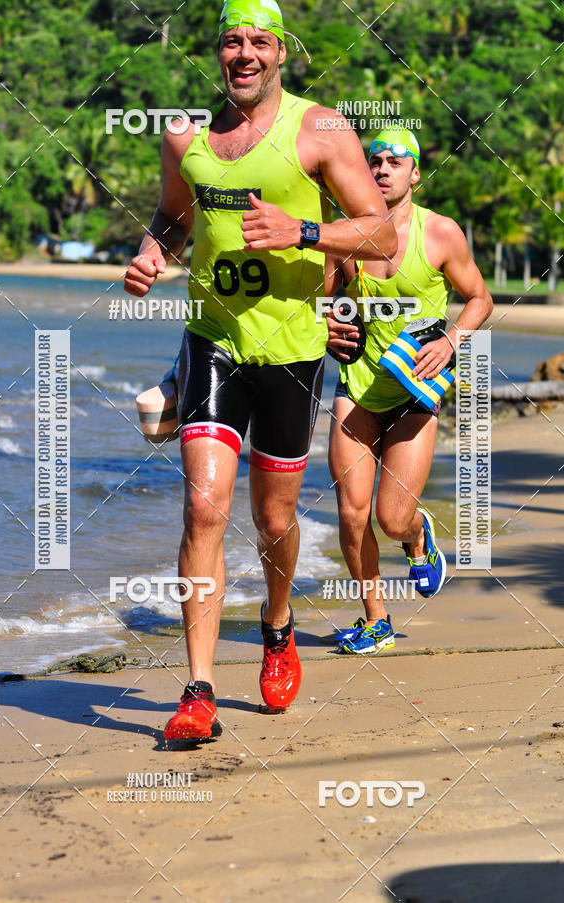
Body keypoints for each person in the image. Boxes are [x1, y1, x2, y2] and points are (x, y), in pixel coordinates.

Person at [123, 0, 397, 738]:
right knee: (203, 508)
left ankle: (277, 625)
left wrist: (301, 230)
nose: (244, 53)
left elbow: (380, 234)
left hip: (293, 352)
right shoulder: (185, 136)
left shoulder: (321, 129)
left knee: (274, 518)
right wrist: (152, 253)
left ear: (281, 52)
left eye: (259, 42)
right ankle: (199, 690)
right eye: (231, 41)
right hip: (211, 341)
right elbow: (173, 219)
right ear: (218, 52)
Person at [326, 127, 493, 654]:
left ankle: (418, 536)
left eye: (395, 162)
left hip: (415, 391)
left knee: (392, 518)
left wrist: (451, 340)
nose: (382, 169)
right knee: (351, 514)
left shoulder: (441, 233)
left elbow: (480, 298)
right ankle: (376, 620)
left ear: (415, 174)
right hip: (356, 388)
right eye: (374, 160)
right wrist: (329, 326)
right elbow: (324, 303)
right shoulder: (344, 235)